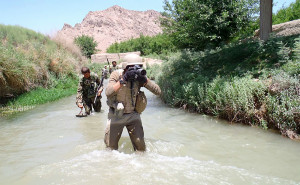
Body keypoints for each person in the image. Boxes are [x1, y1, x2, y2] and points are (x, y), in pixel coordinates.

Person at [104, 53, 161, 151]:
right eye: (132, 67)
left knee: (141, 149)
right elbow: (108, 92)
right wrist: (123, 79)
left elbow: (158, 91)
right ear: (125, 67)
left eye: (138, 67)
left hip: (133, 115)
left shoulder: (138, 77)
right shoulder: (117, 75)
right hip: (117, 115)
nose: (135, 69)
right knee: (111, 149)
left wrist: (145, 81)